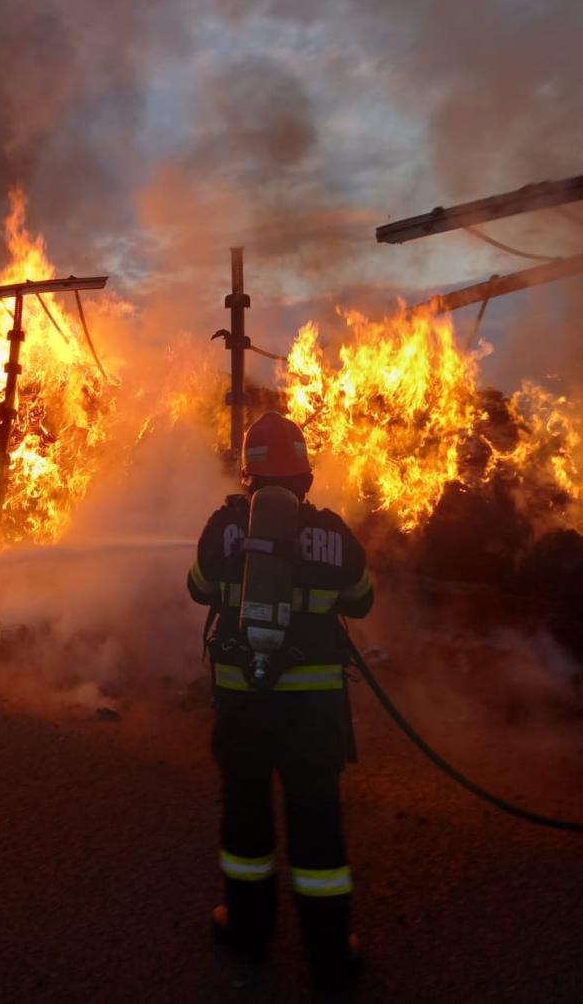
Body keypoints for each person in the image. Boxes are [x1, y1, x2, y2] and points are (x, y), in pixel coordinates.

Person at [187, 410, 374, 991]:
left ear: (247, 477)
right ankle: (329, 953)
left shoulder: (224, 527)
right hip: (313, 710)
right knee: (317, 821)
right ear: (306, 478)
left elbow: (198, 588)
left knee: (245, 815)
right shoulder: (332, 534)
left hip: (244, 702)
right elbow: (362, 599)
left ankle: (247, 930)